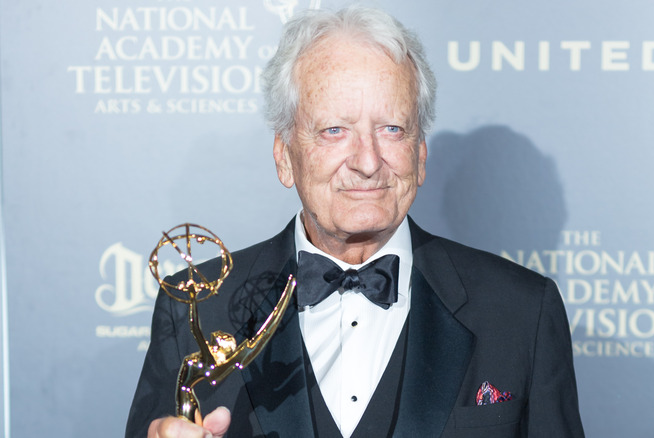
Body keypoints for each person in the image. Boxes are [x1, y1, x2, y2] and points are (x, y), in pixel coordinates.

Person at [127, 5, 584, 438]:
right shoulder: (196, 307)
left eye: (392, 129)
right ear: (285, 157)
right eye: (334, 130)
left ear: (421, 155)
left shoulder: (520, 311)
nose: (368, 162)